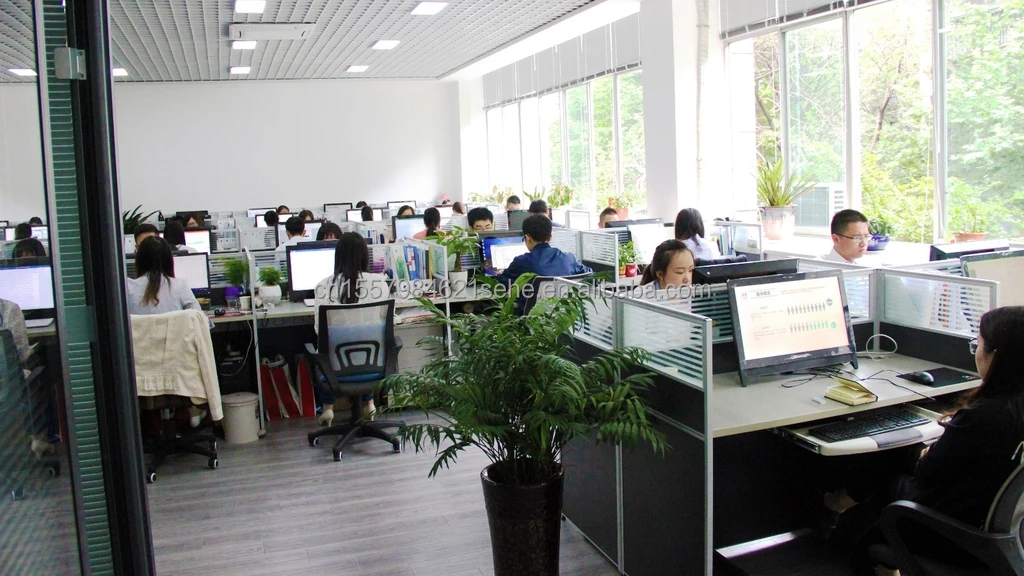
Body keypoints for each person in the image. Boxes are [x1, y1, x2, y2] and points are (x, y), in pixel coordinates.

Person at [823, 306, 1024, 575]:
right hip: (1001, 526)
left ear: (996, 356)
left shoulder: (985, 416)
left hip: (954, 531)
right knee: (897, 453)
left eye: (977, 344)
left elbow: (926, 473)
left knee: (888, 460)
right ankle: (843, 507)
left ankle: (840, 511)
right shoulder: (1009, 410)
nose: (975, 351)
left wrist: (927, 452)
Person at [312, 233, 391, 425]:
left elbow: (319, 331)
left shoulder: (323, 286)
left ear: (338, 256)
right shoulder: (379, 283)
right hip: (375, 365)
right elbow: (385, 323)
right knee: (364, 345)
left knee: (322, 351)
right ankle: (369, 403)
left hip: (337, 369)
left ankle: (328, 408)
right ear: (365, 256)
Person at [1, 296, 52, 458]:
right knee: (39, 372)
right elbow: (22, 356)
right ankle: (38, 438)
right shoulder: (9, 309)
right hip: (5, 383)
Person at [497, 215, 592, 286]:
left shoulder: (521, 262)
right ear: (550, 238)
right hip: (564, 307)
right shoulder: (569, 259)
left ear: (528, 238)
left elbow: (498, 285)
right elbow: (592, 277)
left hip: (533, 308)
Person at [126, 236, 202, 315]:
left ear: (139, 259)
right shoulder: (179, 285)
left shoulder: (128, 287)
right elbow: (199, 318)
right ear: (169, 260)